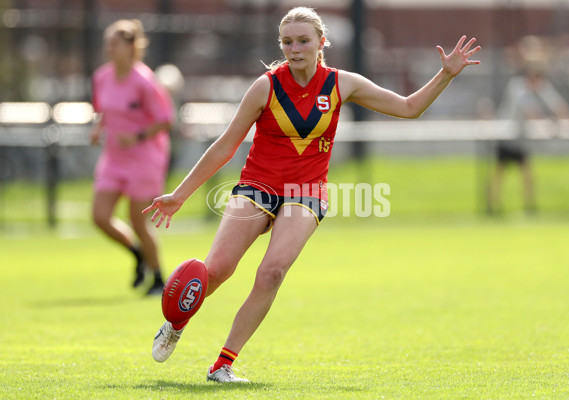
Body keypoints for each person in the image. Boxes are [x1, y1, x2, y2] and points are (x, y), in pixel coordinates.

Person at [145, 7, 480, 383]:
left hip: (306, 193)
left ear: (322, 42)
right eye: (287, 42)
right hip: (258, 185)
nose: (295, 48)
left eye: (304, 41)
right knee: (218, 270)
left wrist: (445, 75)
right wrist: (180, 194)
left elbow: (408, 107)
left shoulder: (341, 83)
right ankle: (175, 324)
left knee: (271, 273)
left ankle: (223, 365)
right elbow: (225, 146)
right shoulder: (266, 86)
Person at [90, 19, 174, 296]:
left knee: (138, 220)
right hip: (114, 156)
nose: (109, 48)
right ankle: (137, 254)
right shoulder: (102, 76)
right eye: (107, 43)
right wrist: (98, 128)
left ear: (130, 47)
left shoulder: (144, 80)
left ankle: (159, 279)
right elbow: (105, 109)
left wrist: (137, 136)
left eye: (114, 43)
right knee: (100, 216)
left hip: (145, 156)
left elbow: (165, 119)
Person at [488, 36, 569, 215]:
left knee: (527, 173)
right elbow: (530, 112)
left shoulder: (540, 86)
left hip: (521, 139)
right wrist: (550, 125)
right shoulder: (517, 87)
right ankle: (493, 206)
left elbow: (557, 105)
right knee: (499, 172)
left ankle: (530, 206)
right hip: (507, 136)